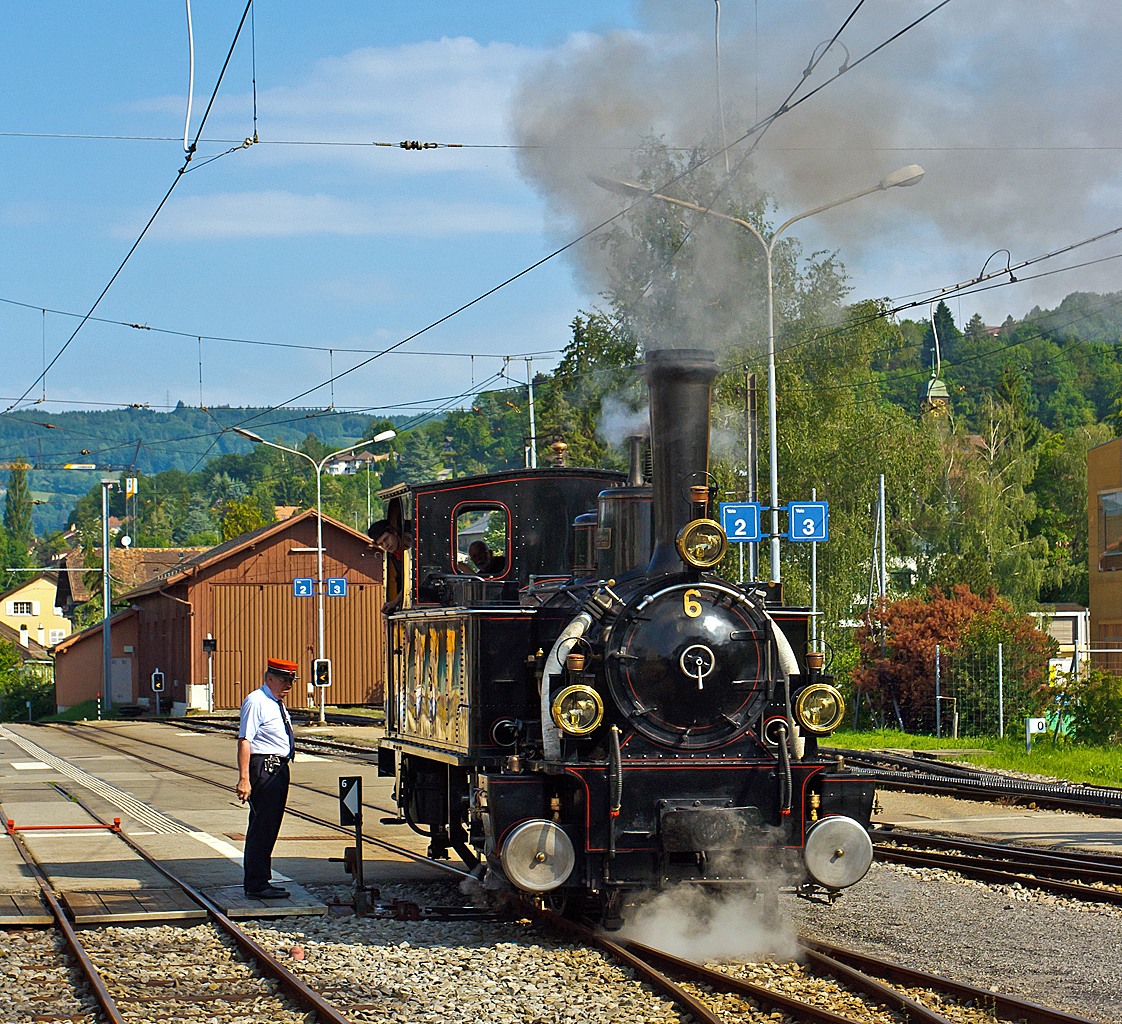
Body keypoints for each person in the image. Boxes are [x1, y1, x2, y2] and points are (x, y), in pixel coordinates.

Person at [236, 658, 298, 899]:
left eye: (291, 680)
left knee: (268, 825)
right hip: (264, 767)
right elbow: (245, 740)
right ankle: (256, 883)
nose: (289, 685)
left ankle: (260, 879)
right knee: (263, 826)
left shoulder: (275, 702)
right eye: (284, 679)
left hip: (277, 766)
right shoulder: (256, 701)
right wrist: (244, 779)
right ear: (269, 678)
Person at [369, 518, 414, 613]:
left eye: (386, 539)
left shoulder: (415, 543)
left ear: (393, 532)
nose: (385, 545)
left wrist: (395, 601)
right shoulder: (395, 558)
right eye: (381, 544)